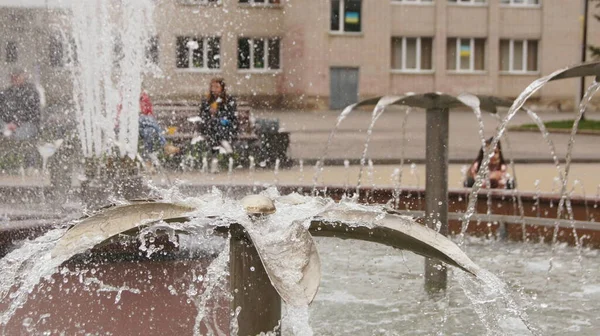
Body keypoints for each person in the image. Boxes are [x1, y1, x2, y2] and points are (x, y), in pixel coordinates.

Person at [0, 68, 41, 169]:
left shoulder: (31, 92)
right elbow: (2, 111)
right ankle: (8, 164)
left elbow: (33, 112)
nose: (15, 79)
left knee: (20, 134)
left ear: (23, 77)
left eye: (18, 76)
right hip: (8, 124)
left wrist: (17, 122)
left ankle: (28, 165)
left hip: (27, 125)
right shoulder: (6, 93)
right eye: (13, 77)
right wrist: (8, 123)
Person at [138, 91, 179, 167]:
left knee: (149, 131)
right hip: (134, 126)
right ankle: (165, 145)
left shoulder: (143, 96)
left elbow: (147, 111)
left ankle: (147, 160)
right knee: (148, 120)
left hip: (144, 128)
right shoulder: (124, 95)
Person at [198, 77, 238, 153]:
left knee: (217, 123)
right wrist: (210, 113)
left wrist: (217, 114)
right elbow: (202, 116)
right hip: (210, 126)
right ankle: (223, 144)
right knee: (213, 123)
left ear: (222, 88)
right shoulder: (206, 101)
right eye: (212, 87)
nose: (214, 89)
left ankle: (216, 150)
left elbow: (231, 116)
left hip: (226, 124)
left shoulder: (229, 100)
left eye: (217, 87)